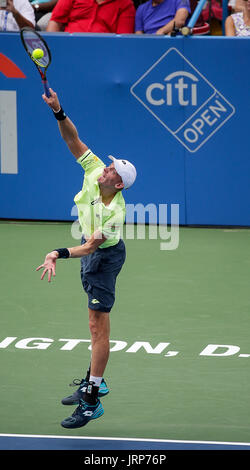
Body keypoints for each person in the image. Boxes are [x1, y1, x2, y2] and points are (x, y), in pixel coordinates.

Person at [36, 88, 137, 429]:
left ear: (118, 185)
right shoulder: (95, 172)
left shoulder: (115, 213)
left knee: (98, 327)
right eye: (109, 164)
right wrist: (59, 111)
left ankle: (93, 399)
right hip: (90, 253)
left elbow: (91, 248)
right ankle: (98, 379)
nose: (106, 167)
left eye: (113, 169)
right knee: (94, 325)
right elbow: (73, 140)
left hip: (104, 259)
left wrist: (56, 253)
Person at [46, 0, 135, 33]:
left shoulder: (126, 4)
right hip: (70, 46)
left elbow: (123, 39)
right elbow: (55, 22)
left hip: (104, 52)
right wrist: (52, 48)